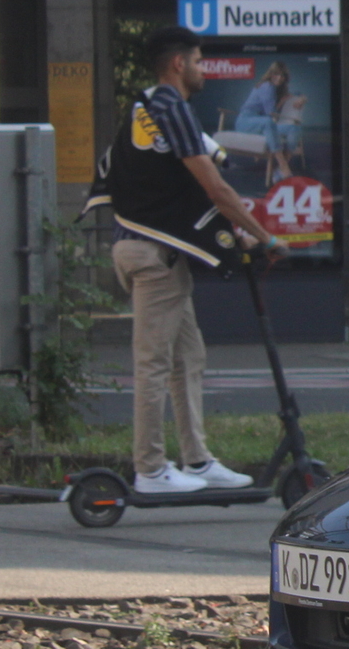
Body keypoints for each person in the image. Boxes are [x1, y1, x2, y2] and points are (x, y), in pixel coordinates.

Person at [89, 25, 281, 495]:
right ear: (178, 63)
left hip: (156, 252)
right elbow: (215, 187)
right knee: (154, 362)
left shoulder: (148, 107)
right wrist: (265, 236)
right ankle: (151, 470)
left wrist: (236, 236)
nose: (201, 69)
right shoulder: (169, 108)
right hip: (153, 255)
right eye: (197, 61)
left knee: (187, 355)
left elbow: (183, 191)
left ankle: (196, 460)